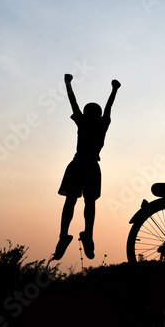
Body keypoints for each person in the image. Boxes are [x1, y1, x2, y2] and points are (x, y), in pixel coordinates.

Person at [53, 74, 121, 260]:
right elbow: (109, 106)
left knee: (70, 202)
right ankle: (88, 235)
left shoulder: (82, 122)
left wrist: (67, 83)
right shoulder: (102, 124)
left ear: (85, 113)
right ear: (99, 115)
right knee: (89, 203)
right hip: (91, 167)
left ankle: (63, 236)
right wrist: (114, 89)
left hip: (77, 165)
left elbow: (72, 101)